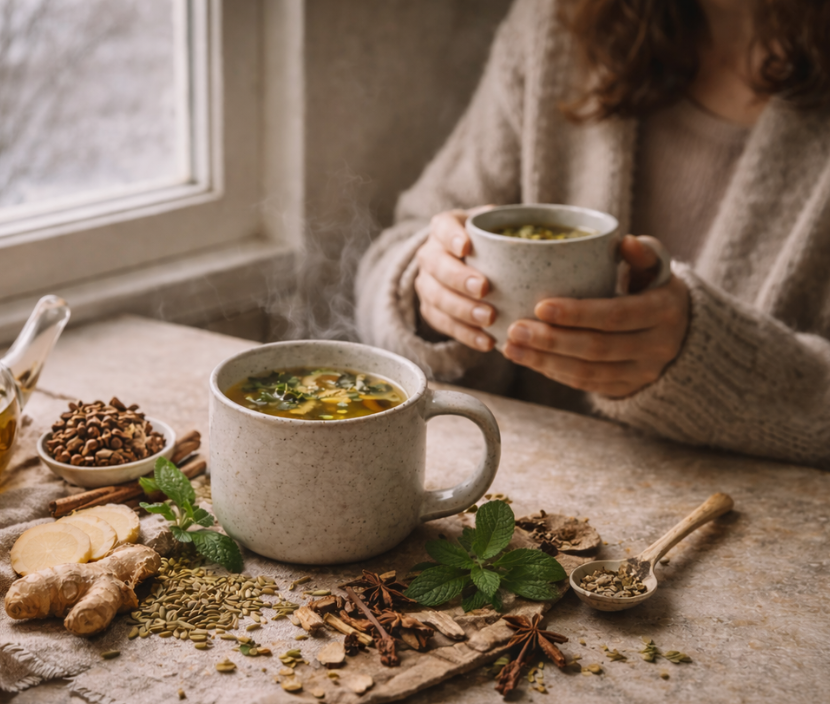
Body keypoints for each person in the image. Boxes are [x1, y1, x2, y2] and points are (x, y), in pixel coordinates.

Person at [355, 0, 830, 469]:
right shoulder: (558, 25)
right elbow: (396, 254)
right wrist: (434, 292)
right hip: (524, 483)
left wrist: (707, 363)